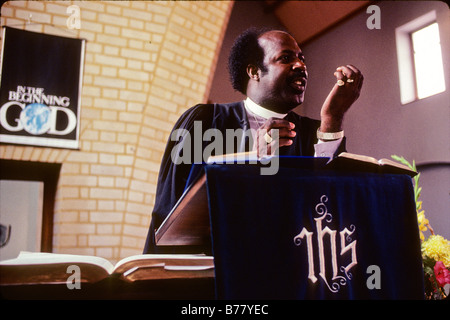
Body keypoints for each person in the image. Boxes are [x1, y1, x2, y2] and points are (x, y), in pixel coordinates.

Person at [143, 27, 363, 254]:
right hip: (215, 271)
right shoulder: (203, 121)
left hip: (289, 270)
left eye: (302, 58)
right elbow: (170, 212)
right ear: (254, 71)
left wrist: (333, 118)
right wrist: (251, 160)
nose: (301, 66)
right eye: (286, 58)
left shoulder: (314, 131)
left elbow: (331, 203)